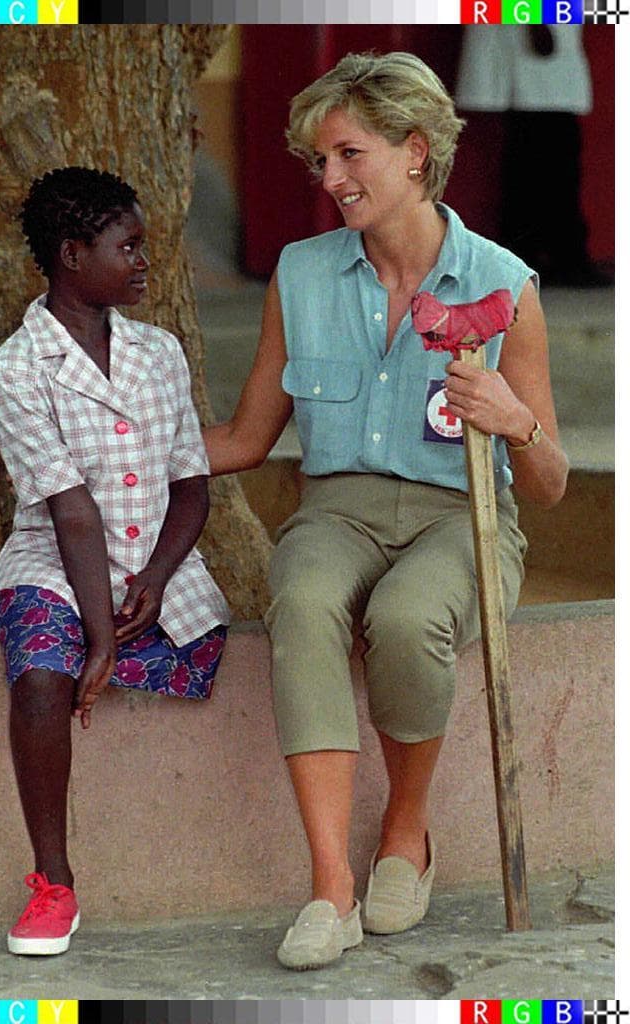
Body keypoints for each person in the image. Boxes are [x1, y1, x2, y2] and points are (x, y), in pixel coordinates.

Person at [203, 52, 568, 970]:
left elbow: (553, 480)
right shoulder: (302, 272)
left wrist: (514, 422)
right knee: (306, 597)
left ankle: (405, 833)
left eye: (347, 155)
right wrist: (121, 458)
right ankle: (331, 890)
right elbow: (248, 436)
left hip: (461, 513)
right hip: (338, 506)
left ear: (415, 153)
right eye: (318, 161)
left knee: (409, 618)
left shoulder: (504, 283)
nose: (328, 180)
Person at [0, 166, 230, 956]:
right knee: (43, 673)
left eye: (143, 244)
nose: (144, 260)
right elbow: (72, 512)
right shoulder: (15, 373)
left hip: (155, 563)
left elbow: (192, 486)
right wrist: (99, 635)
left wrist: (155, 578)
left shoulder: (159, 353)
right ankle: (54, 884)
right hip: (56, 563)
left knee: (201, 641)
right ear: (71, 255)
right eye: (128, 246)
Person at [455, 25, 610, 287]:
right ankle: (559, 257)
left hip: (537, 30)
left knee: (532, 157)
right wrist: (536, 21)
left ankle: (536, 255)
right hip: (535, 28)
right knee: (551, 158)